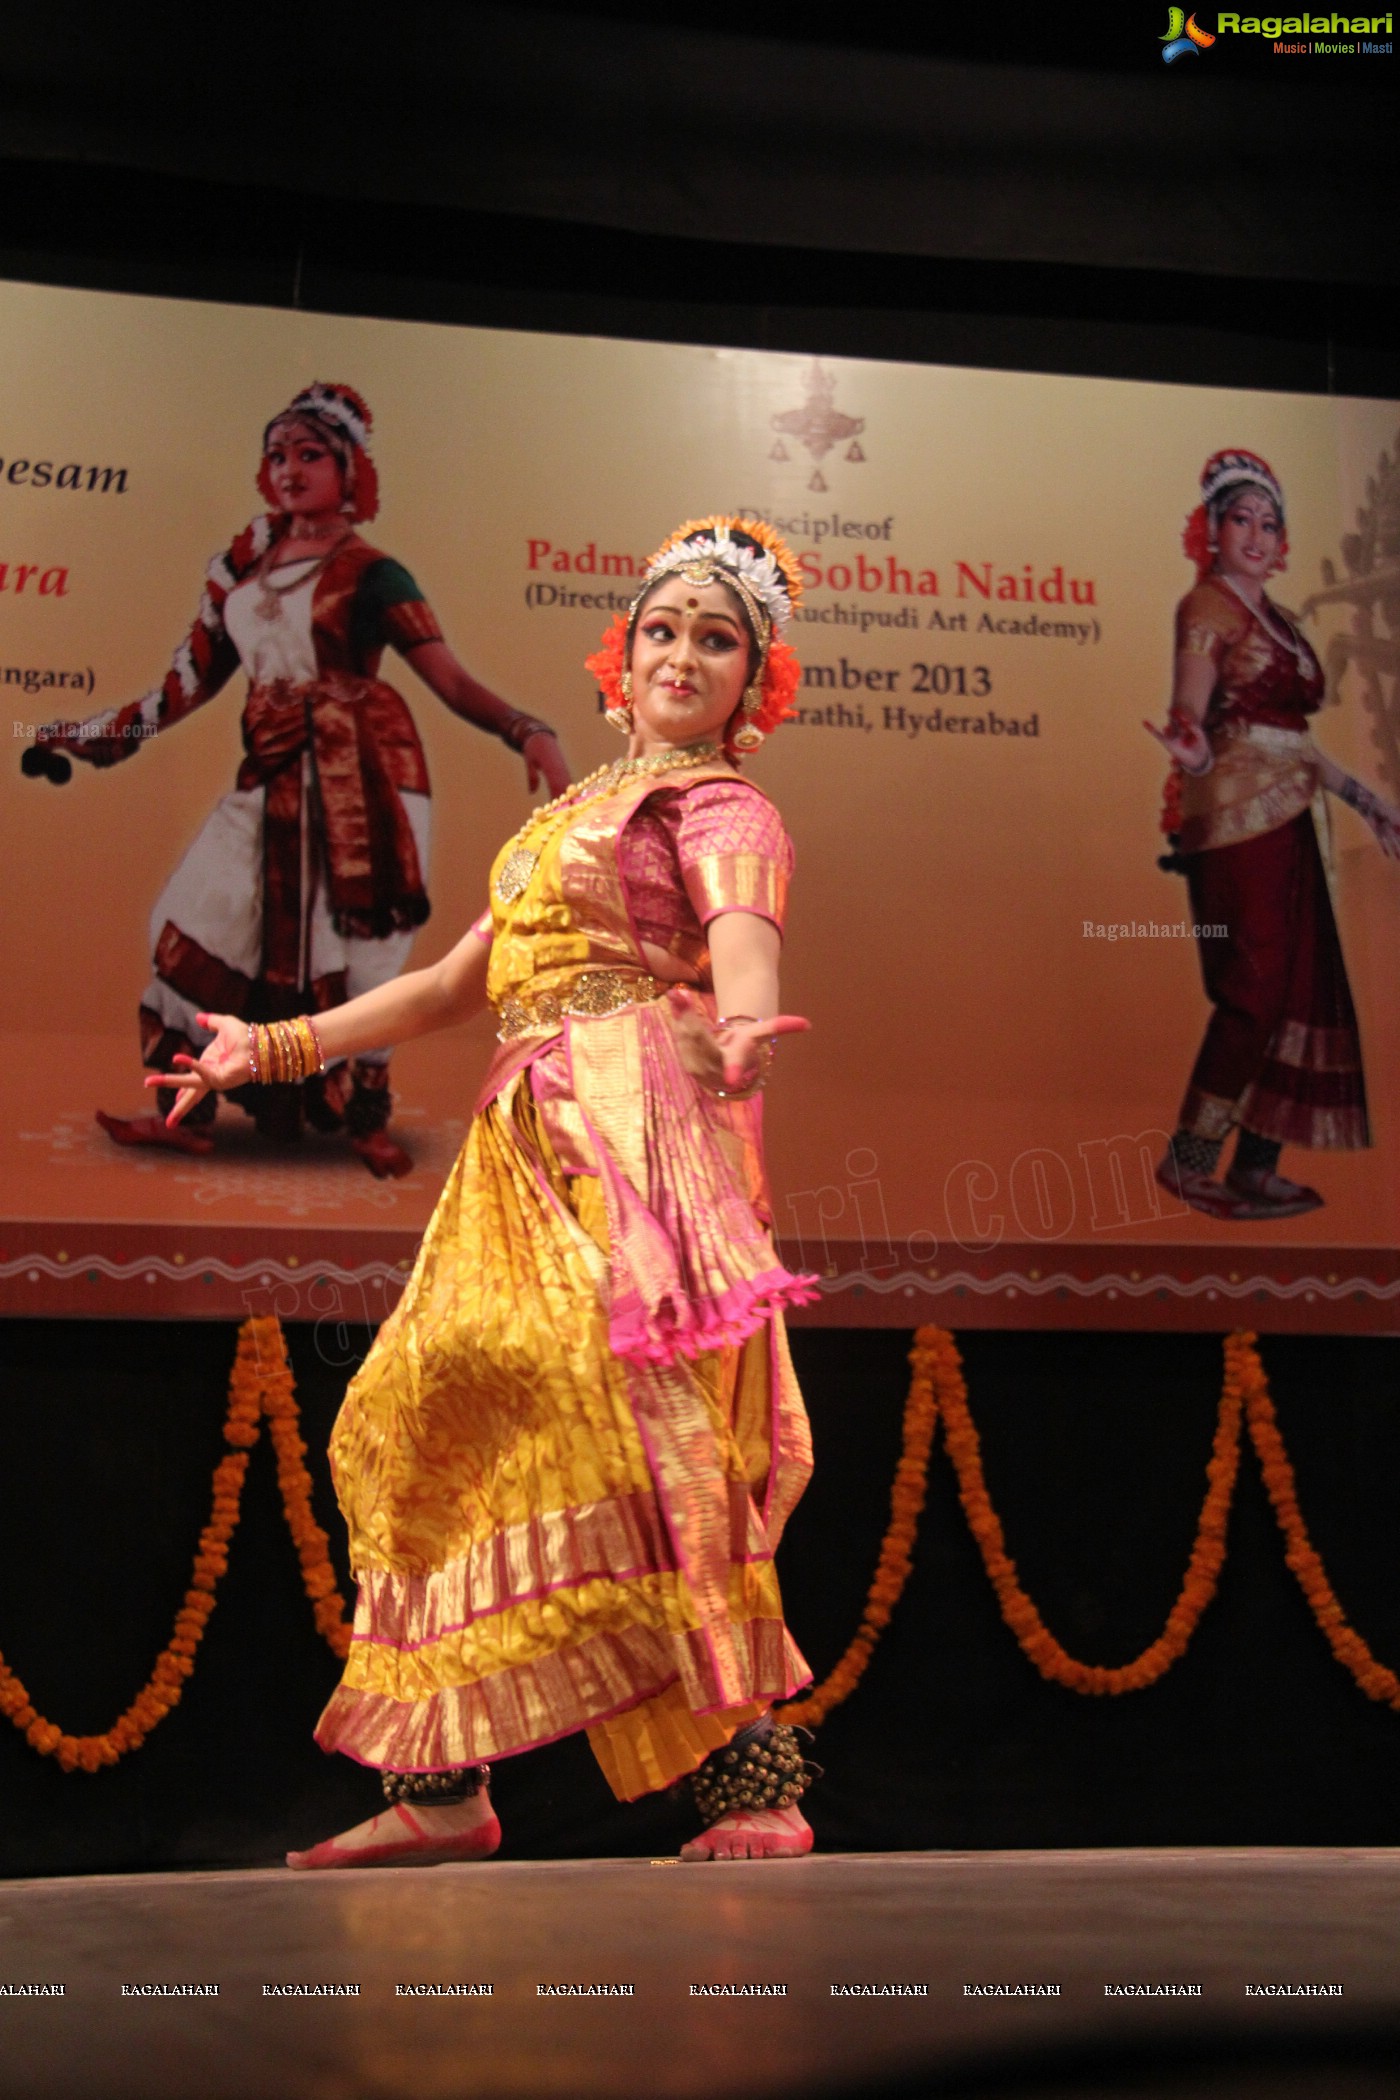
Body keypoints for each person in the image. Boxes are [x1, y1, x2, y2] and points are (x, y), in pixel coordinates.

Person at [150, 515, 822, 1864]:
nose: (685, 653)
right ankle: (447, 1785)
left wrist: (746, 1020)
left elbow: (744, 936)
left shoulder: (722, 806)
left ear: (755, 682)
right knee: (415, 1412)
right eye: (665, 630)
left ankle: (758, 1784)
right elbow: (452, 988)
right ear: (619, 659)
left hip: (636, 1123)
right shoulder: (564, 815)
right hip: (521, 1140)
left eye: (718, 639)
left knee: (651, 1419)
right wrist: (267, 1047)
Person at [28, 383, 569, 1178]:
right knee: (188, 919)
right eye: (276, 455)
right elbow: (184, 689)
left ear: (350, 471)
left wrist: (530, 729)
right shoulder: (241, 569)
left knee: (366, 953)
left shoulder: (375, 574)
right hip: (272, 773)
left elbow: (448, 680)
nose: (289, 469)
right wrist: (79, 736)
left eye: (310, 454)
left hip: (367, 784)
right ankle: (185, 1101)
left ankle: (363, 1120)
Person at [1148, 449, 1400, 1220]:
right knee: (1252, 992)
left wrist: (1368, 800)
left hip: (1294, 821)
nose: (1256, 535)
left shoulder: (1283, 622)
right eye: (1240, 519)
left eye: (1269, 523)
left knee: (1298, 993)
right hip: (1232, 824)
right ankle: (1189, 1163)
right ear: (1211, 531)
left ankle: (1256, 1166)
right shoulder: (1207, 608)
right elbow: (1191, 712)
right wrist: (1190, 747)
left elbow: (1294, 743)